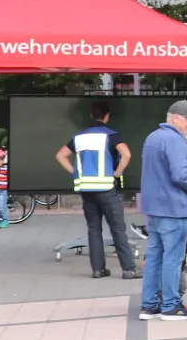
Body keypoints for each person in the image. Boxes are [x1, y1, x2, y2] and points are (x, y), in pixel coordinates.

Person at [139, 101, 187, 321]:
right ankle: (171, 305)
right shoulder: (175, 140)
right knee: (173, 258)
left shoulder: (153, 138)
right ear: (175, 117)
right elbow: (180, 176)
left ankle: (149, 305)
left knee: (155, 258)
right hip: (172, 206)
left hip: (153, 208)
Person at [56, 101, 138, 279]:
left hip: (86, 190)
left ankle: (98, 269)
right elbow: (127, 154)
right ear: (106, 116)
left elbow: (60, 155)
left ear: (92, 116)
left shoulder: (79, 137)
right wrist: (116, 174)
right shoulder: (111, 135)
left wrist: (76, 173)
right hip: (107, 189)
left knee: (94, 229)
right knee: (117, 228)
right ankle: (129, 269)